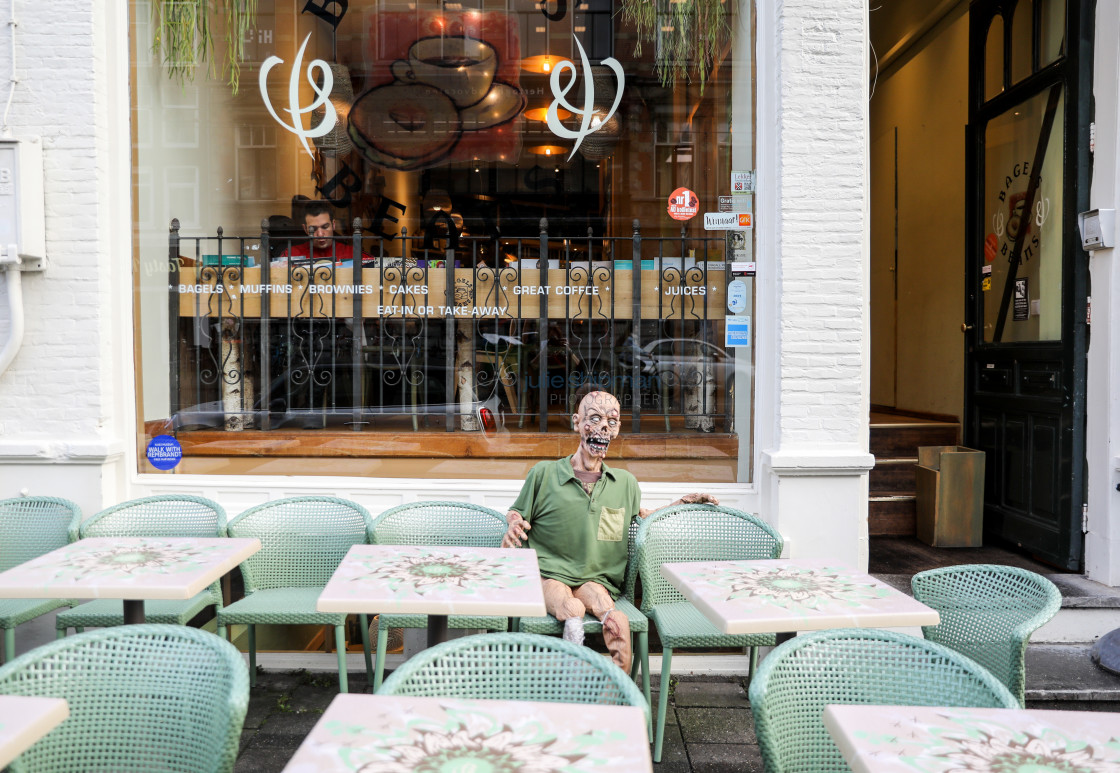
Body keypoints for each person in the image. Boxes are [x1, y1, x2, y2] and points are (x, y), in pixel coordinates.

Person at [501, 388, 717, 672]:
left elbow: (644, 516)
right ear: (576, 422)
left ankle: (618, 691)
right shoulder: (544, 474)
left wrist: (686, 500)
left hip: (596, 579)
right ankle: (571, 676)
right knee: (570, 607)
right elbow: (517, 511)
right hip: (549, 573)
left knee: (610, 612)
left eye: (611, 421)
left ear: (617, 430)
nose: (603, 427)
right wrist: (514, 523)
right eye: (594, 418)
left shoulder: (624, 483)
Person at [270, 201, 372, 268]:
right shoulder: (291, 254)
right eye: (313, 229)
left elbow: (379, 272)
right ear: (305, 229)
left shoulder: (353, 253)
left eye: (325, 227)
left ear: (333, 225)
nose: (320, 233)